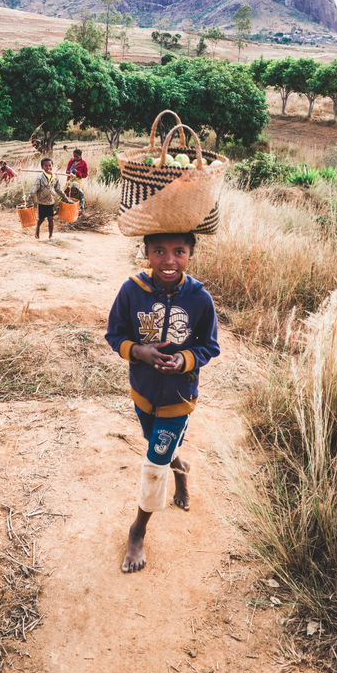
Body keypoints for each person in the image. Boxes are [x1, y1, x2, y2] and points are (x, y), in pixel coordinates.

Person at [105, 232, 220, 573]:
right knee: (155, 443)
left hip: (178, 399)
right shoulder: (131, 291)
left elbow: (209, 347)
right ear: (146, 252)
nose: (169, 260)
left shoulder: (200, 299)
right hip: (143, 394)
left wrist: (184, 360)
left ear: (190, 254)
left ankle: (137, 531)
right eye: (159, 251)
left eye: (178, 252)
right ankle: (181, 470)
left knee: (154, 462)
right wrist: (138, 350)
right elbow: (115, 334)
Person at [29, 157, 73, 240]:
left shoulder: (55, 177)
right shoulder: (40, 178)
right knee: (41, 219)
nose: (48, 167)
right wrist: (29, 199)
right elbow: (34, 189)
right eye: (46, 166)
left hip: (51, 202)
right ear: (42, 167)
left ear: (52, 166)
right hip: (42, 202)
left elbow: (58, 189)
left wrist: (65, 198)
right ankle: (37, 228)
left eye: (50, 165)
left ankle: (50, 235)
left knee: (50, 219)